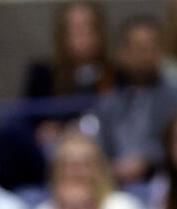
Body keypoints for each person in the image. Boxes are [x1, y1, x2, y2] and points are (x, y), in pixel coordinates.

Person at [86, 16, 177, 186]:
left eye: (151, 47)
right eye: (137, 48)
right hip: (115, 184)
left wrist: (149, 161)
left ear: (162, 51)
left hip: (170, 182)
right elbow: (98, 145)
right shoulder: (108, 103)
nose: (145, 55)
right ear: (123, 54)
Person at [30, 131, 153, 209]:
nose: (75, 172)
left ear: (100, 169)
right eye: (67, 164)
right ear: (56, 172)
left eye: (84, 164)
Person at [25, 1, 116, 144]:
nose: (82, 36)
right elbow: (30, 119)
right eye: (75, 29)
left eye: (89, 28)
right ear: (62, 34)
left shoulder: (116, 73)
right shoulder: (43, 74)